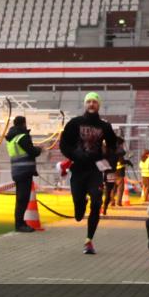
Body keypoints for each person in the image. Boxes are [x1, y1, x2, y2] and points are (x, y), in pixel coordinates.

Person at [60, 92, 117, 254]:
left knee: (97, 202)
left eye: (94, 102)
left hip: (94, 170)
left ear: (99, 105)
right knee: (78, 210)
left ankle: (89, 240)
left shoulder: (105, 126)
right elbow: (64, 144)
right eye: (89, 102)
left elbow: (113, 147)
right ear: (85, 104)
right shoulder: (75, 123)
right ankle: (80, 205)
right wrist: (74, 155)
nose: (91, 104)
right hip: (78, 169)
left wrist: (107, 161)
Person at [5, 116, 42, 233]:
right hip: (25, 172)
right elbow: (32, 152)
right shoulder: (22, 137)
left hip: (16, 171)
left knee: (20, 199)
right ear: (24, 124)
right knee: (23, 199)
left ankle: (20, 223)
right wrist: (39, 149)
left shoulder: (11, 139)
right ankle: (20, 224)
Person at [102, 135, 127, 215]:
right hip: (110, 172)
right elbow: (122, 152)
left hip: (108, 172)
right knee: (109, 190)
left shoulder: (109, 149)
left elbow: (122, 153)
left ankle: (105, 206)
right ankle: (104, 206)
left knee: (109, 190)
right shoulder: (114, 150)